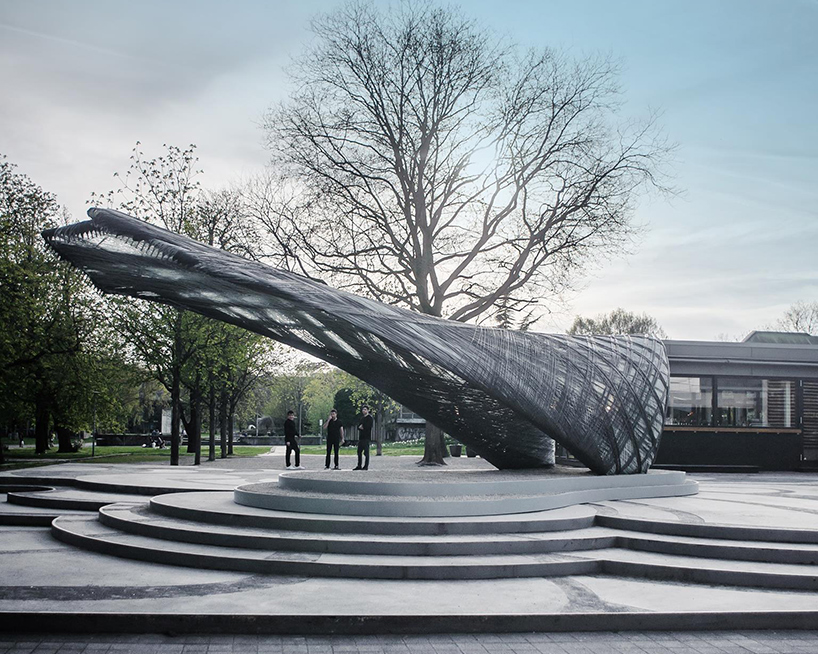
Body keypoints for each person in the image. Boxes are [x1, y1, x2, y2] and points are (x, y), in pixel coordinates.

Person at [354, 405, 374, 470]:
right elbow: (358, 426)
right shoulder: (362, 418)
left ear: (368, 410)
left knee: (366, 452)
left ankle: (366, 466)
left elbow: (368, 427)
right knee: (359, 452)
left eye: (365, 409)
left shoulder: (370, 418)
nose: (363, 411)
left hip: (366, 437)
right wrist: (360, 427)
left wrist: (363, 427)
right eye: (363, 409)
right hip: (361, 437)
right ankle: (359, 465)